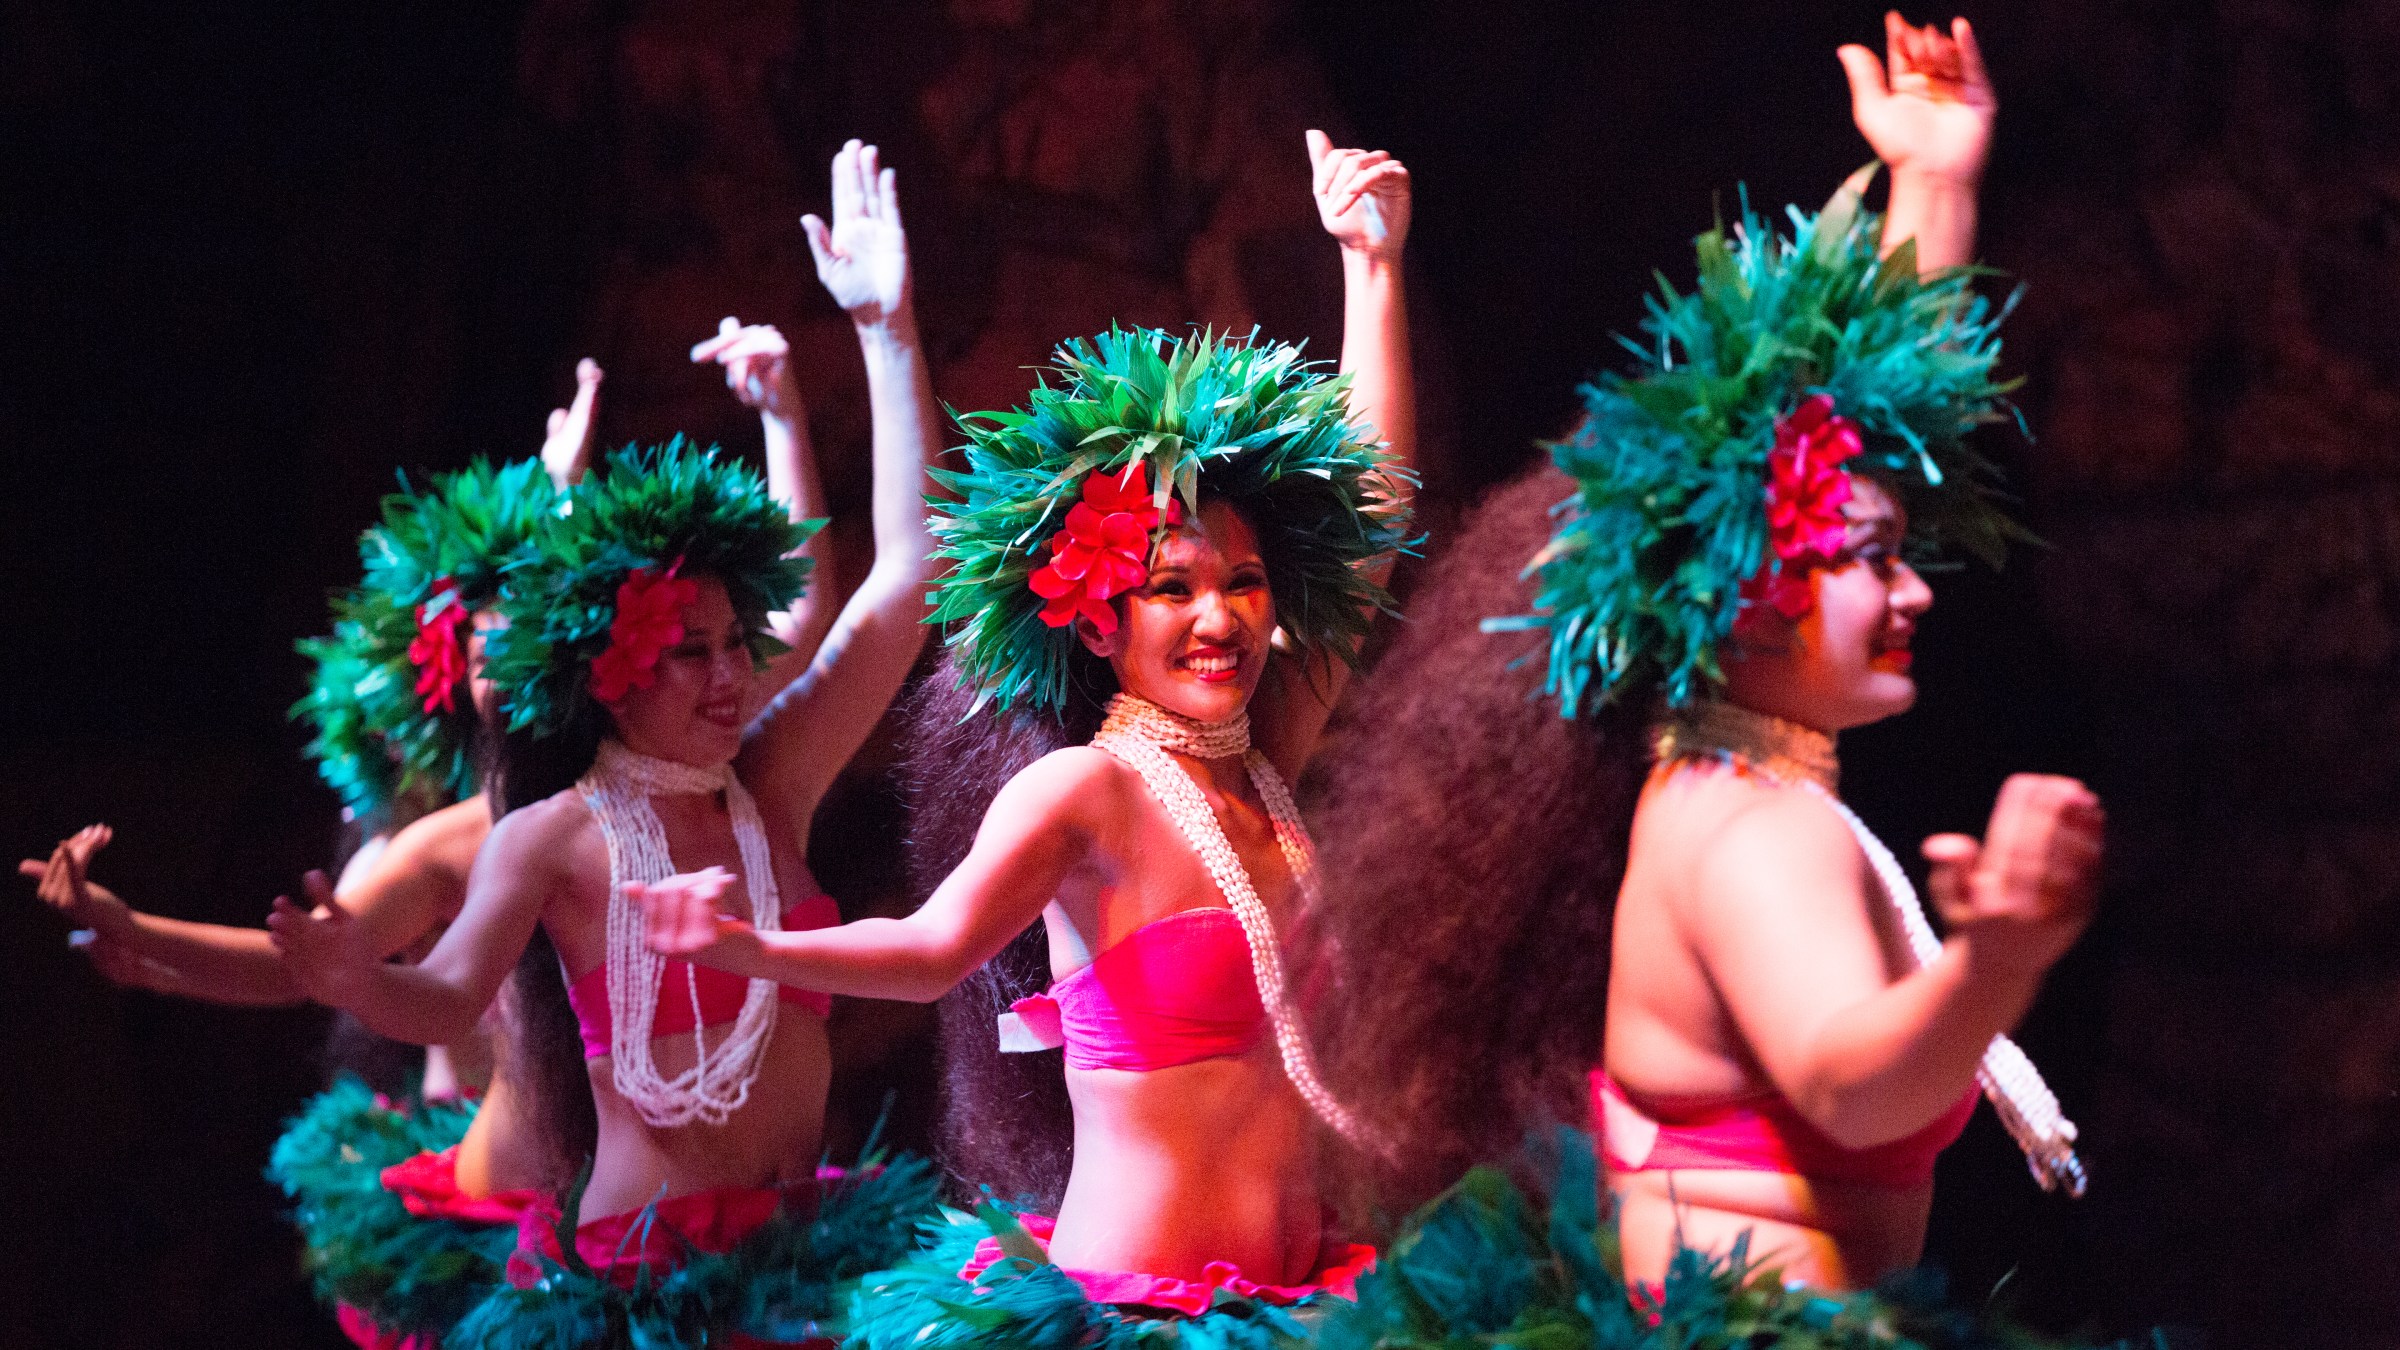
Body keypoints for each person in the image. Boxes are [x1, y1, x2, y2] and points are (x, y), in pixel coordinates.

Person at [1305, 14, 2101, 1294]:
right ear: (1739, 599)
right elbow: (1847, 1081)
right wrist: (1997, 957)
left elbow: (1858, 418)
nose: (1912, 592)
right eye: (1869, 561)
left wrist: (1935, 185)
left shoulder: (1738, 782)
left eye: (1899, 555)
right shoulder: (1748, 832)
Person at [631, 130, 1414, 1343]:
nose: (1221, 618)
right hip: (1132, 1316)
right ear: (1101, 624)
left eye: (1247, 582)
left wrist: (1370, 267)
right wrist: (747, 947)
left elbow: (1371, 526)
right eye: (1173, 587)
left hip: (1299, 1310)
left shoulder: (1267, 765)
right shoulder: (1082, 792)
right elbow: (932, 947)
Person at [268, 140, 943, 1345]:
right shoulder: (549, 836)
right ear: (611, 671)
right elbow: (444, 997)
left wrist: (889, 334)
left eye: (740, 641)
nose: (735, 672)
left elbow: (908, 579)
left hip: (806, 1252)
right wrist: (350, 977)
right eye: (693, 649)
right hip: (646, 1281)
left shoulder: (771, 780)